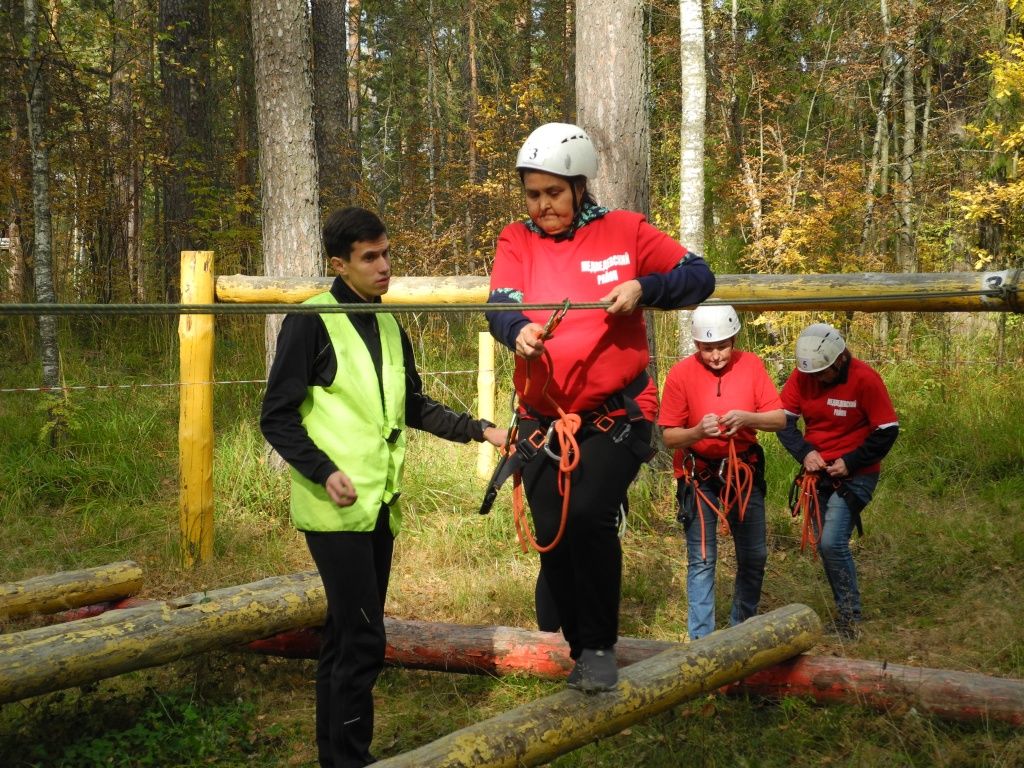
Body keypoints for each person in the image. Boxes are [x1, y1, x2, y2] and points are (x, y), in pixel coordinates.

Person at [261, 207, 505, 768]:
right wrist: (323, 470)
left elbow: (413, 405)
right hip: (333, 510)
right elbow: (276, 416)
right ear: (339, 264)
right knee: (365, 637)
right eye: (370, 257)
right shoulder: (310, 323)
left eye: (387, 253)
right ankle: (352, 759)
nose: (384, 266)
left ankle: (336, 757)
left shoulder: (390, 326)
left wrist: (482, 430)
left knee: (345, 636)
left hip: (379, 507)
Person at [486, 122, 715, 692]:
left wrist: (645, 288)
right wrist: (516, 330)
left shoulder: (625, 230)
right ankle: (577, 644)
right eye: (533, 194)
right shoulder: (516, 239)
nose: (542, 205)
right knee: (553, 530)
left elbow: (698, 275)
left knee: (588, 515)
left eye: (553, 193)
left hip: (616, 414)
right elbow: (500, 303)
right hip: (543, 420)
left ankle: (597, 647)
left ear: (580, 187)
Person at [659, 305, 785, 640]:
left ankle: (740, 632)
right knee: (702, 558)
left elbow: (778, 419)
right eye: (707, 348)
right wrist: (698, 432)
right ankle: (701, 641)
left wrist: (747, 418)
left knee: (754, 555)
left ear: (734, 340)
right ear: (697, 345)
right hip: (698, 476)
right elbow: (669, 436)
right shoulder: (681, 374)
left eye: (722, 346)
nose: (715, 355)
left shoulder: (751, 366)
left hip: (742, 472)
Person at [777, 322, 899, 639]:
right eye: (813, 374)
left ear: (840, 359)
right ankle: (845, 613)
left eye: (823, 373)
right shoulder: (802, 376)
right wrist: (805, 453)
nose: (817, 380)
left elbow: (887, 431)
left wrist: (851, 462)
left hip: (857, 474)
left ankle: (850, 619)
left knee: (832, 542)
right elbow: (784, 423)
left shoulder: (865, 379)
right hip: (817, 475)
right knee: (825, 545)